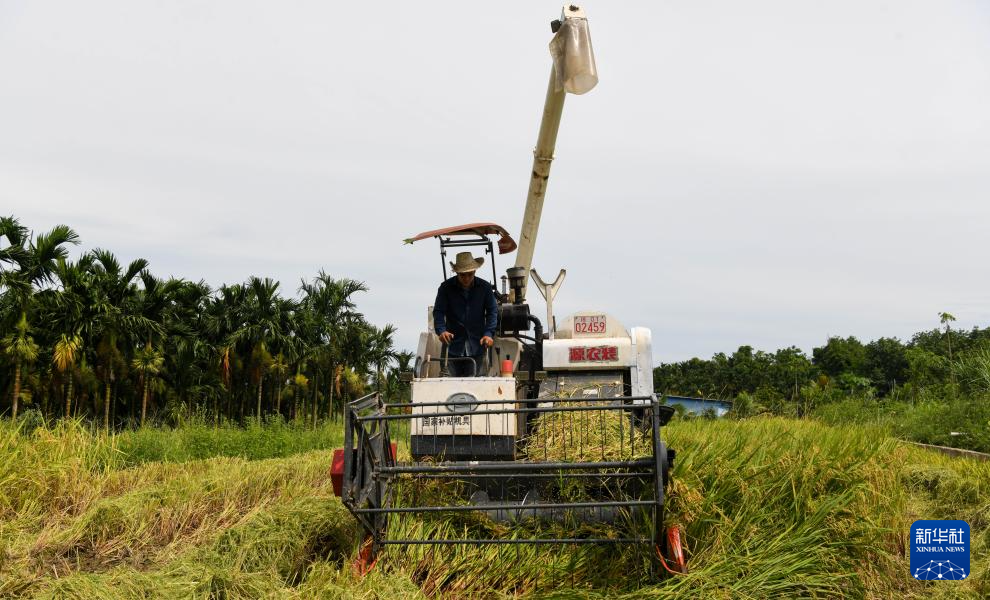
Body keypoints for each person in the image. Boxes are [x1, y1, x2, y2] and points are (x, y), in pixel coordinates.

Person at [433, 251, 498, 377]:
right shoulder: (445, 288)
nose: (467, 278)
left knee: (476, 389)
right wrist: (441, 331)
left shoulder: (485, 288)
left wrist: (488, 334)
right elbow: (439, 312)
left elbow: (492, 312)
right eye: (463, 275)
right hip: (451, 348)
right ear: (457, 272)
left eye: (470, 274)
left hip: (477, 348)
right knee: (448, 389)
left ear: (475, 271)